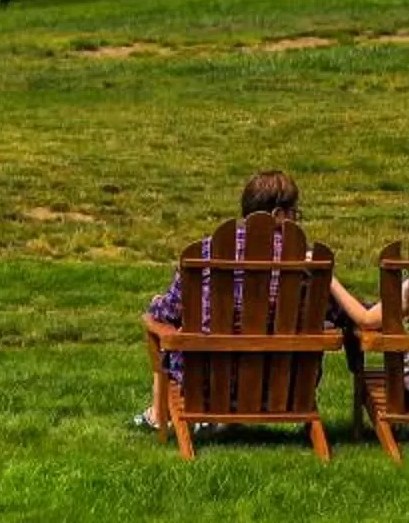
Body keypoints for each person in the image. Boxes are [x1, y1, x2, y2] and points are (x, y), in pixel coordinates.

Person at [136, 169, 378, 435]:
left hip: (208, 385)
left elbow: (168, 312)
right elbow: (343, 315)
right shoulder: (304, 264)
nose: (297, 220)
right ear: (278, 214)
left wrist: (155, 306)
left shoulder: (205, 252)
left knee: (161, 325)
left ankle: (159, 416)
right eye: (294, 213)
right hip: (286, 387)